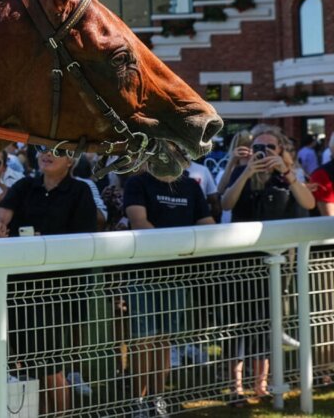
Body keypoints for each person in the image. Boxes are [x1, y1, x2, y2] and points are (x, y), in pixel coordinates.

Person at [0, 146, 98, 415]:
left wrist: (44, 244)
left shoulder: (81, 191)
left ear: (71, 161)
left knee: (51, 368)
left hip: (57, 294)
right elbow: (0, 217)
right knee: (32, 366)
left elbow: (84, 241)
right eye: (43, 149)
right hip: (19, 290)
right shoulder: (24, 185)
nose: (47, 154)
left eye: (57, 151)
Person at [218, 124, 315, 405]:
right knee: (237, 322)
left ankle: (261, 384)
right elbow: (226, 203)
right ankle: (235, 386)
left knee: (268, 321)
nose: (263, 152)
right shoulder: (242, 172)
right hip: (241, 260)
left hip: (278, 260)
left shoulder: (289, 176)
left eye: (269, 147)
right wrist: (246, 171)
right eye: (258, 147)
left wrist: (287, 173)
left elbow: (309, 203)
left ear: (281, 149)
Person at [123, 168, 216, 416]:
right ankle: (137, 402)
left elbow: (206, 224)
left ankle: (157, 398)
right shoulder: (138, 182)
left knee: (164, 339)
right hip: (142, 273)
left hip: (176, 275)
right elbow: (139, 222)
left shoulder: (191, 186)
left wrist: (202, 243)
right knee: (143, 340)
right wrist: (178, 249)